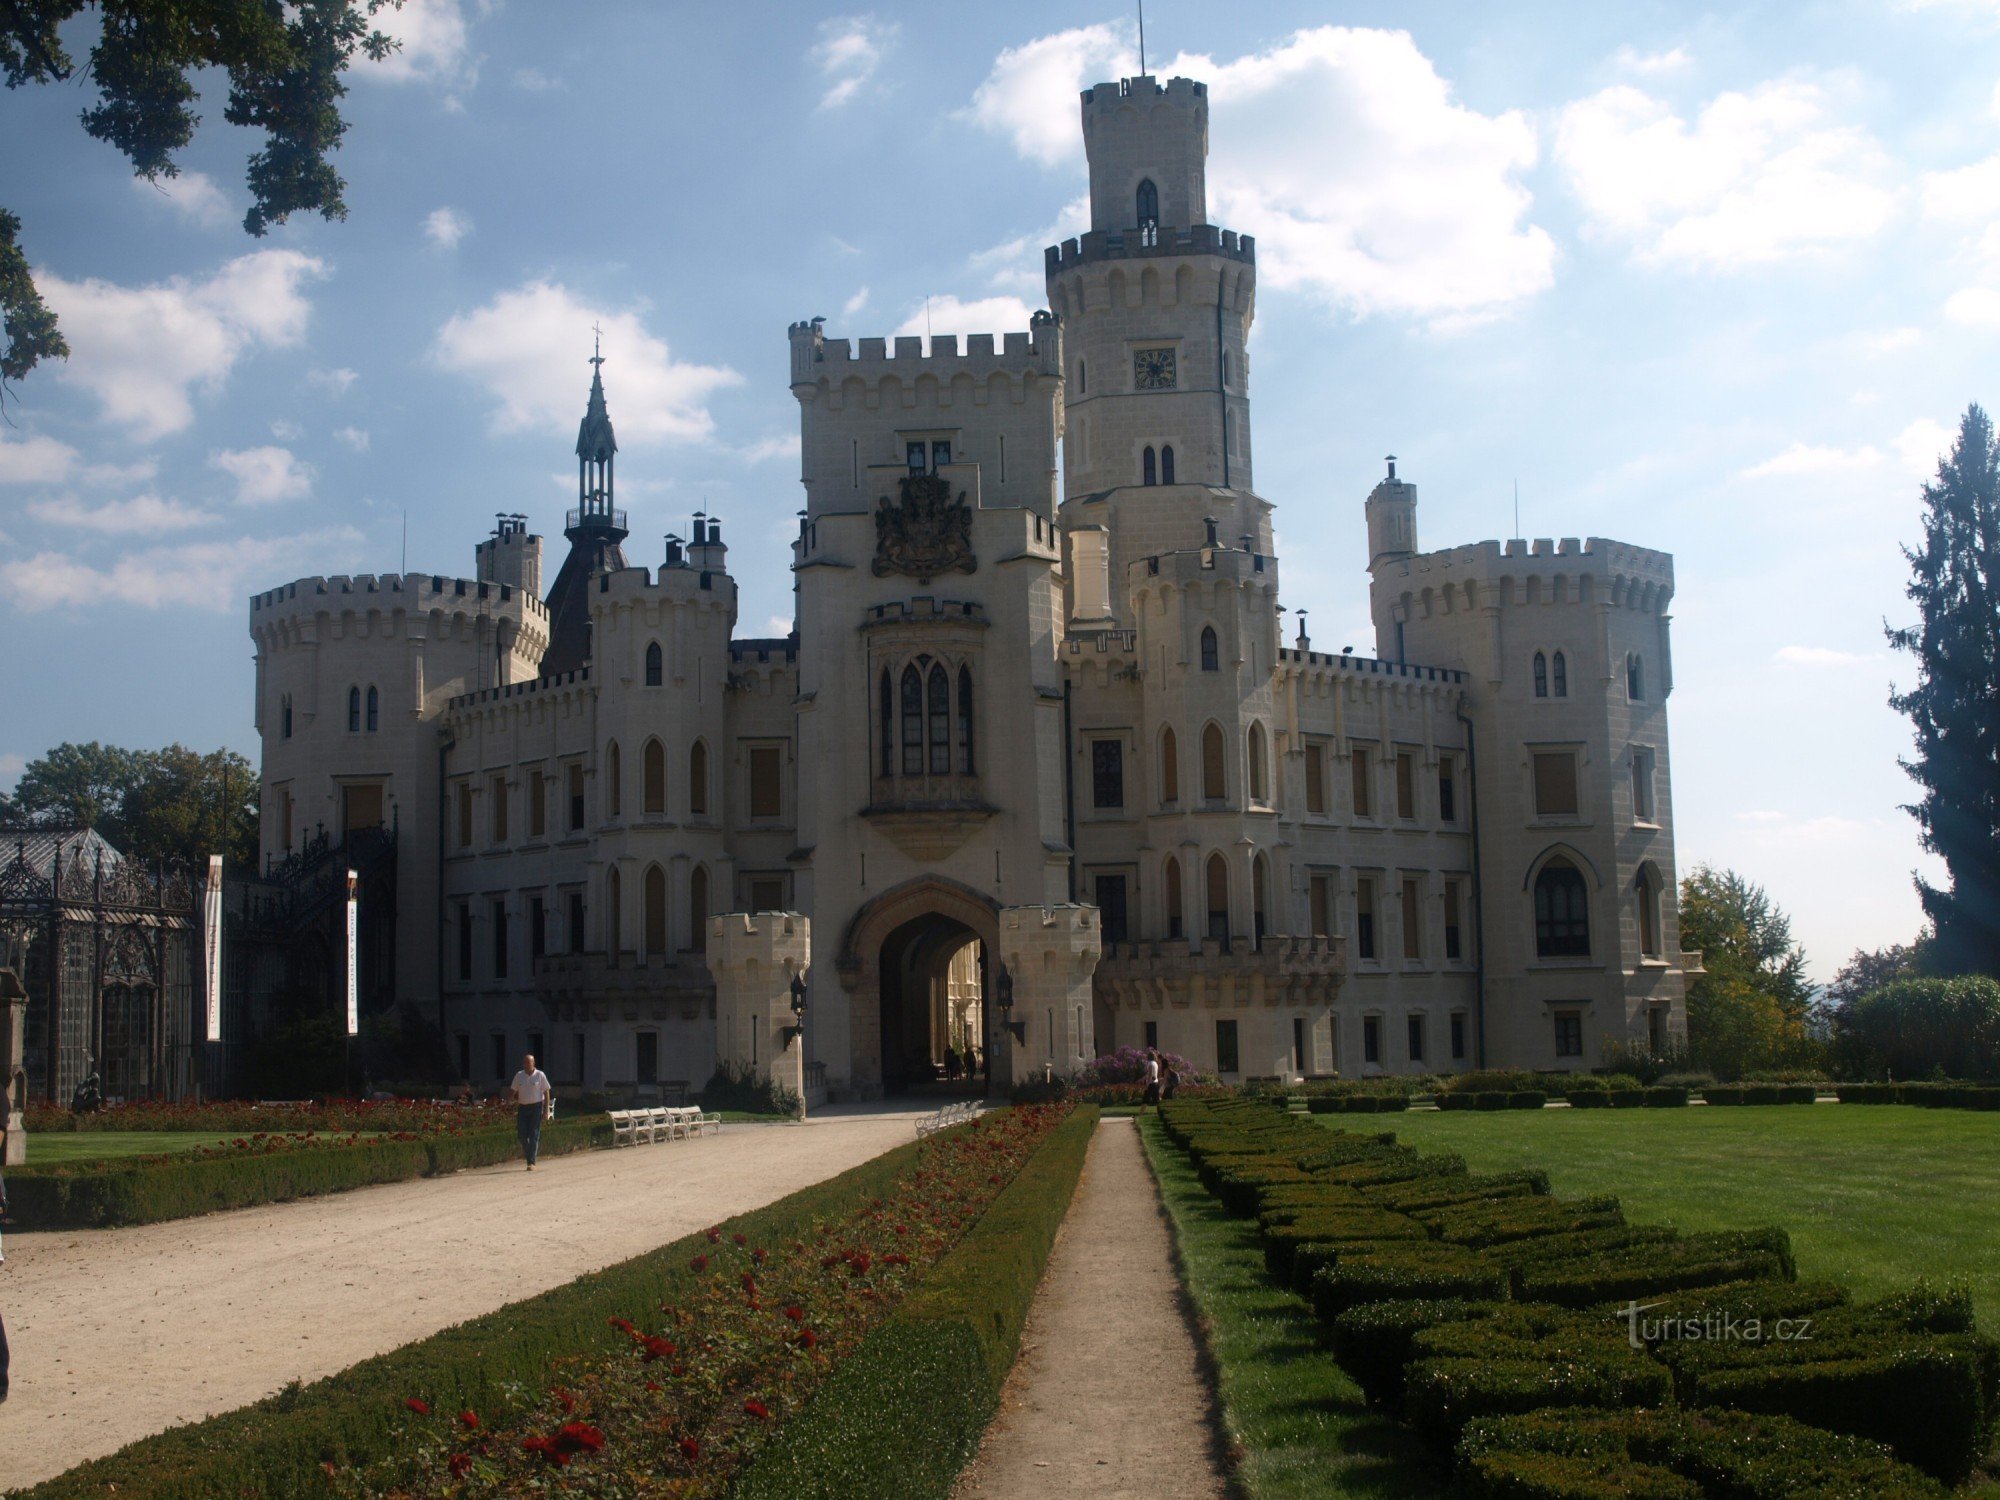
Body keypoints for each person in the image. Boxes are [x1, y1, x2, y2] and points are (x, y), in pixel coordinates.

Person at [508, 1053, 554, 1170]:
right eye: (525, 1062)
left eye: (528, 1062)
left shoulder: (540, 1075)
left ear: (533, 1063)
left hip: (536, 1107)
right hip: (523, 1108)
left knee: (534, 1135)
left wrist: (546, 1110)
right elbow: (513, 1090)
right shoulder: (519, 1075)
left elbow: (546, 1092)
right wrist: (508, 1102)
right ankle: (530, 1156)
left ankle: (531, 1162)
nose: (526, 1065)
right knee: (522, 1136)